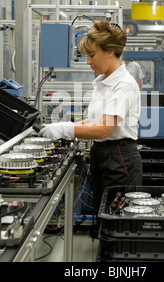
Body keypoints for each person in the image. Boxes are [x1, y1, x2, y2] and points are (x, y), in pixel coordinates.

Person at [39, 19, 143, 216]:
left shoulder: (123, 84)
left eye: (92, 55)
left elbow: (105, 128)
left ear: (110, 52)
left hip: (120, 159)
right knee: (102, 215)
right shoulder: (103, 82)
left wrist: (65, 129)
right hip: (102, 154)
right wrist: (70, 126)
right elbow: (95, 121)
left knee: (117, 220)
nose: (88, 61)